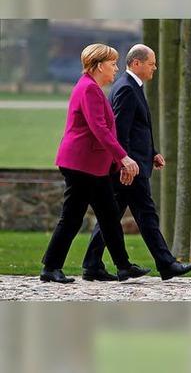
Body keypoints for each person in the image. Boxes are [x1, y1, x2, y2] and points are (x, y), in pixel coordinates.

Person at [82, 44, 191, 281]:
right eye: (151, 63)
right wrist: (125, 163)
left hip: (133, 163)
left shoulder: (132, 86)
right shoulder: (126, 88)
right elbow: (120, 130)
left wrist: (152, 152)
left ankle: (92, 264)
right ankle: (166, 264)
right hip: (130, 168)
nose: (155, 67)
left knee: (112, 215)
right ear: (137, 63)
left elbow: (138, 128)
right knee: (145, 215)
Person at [41, 43, 151, 284]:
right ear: (99, 65)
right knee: (73, 217)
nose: (116, 68)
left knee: (109, 216)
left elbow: (102, 130)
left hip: (90, 165)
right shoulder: (89, 89)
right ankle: (51, 267)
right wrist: (123, 157)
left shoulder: (91, 88)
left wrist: (116, 162)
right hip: (81, 164)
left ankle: (122, 266)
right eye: (112, 64)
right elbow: (99, 129)